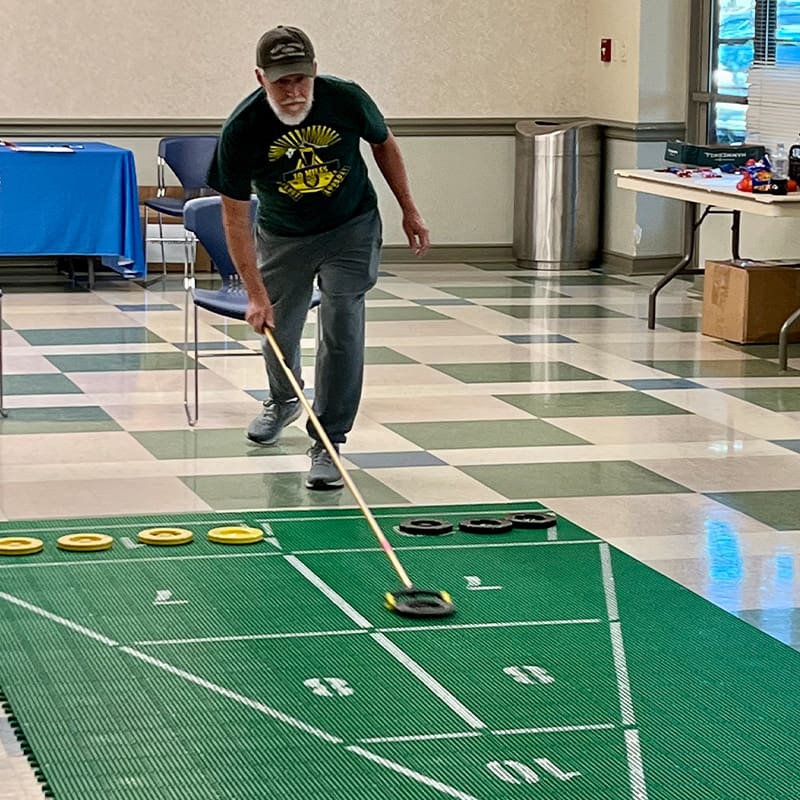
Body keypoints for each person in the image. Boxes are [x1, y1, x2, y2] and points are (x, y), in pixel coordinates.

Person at [206, 25, 429, 490]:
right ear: (260, 78)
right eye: (281, 81)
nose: (293, 91)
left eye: (301, 79)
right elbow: (233, 217)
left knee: (342, 322)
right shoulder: (243, 128)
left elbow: (383, 143)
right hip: (284, 236)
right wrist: (254, 293)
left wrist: (409, 209)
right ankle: (283, 399)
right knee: (277, 325)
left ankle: (328, 440)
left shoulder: (345, 99)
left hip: (351, 226)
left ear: (314, 72)